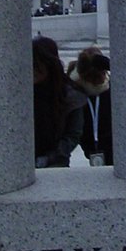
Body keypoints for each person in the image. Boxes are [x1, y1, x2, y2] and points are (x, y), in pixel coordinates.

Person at [32, 36, 84, 168]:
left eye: (37, 65)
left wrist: (51, 157)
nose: (33, 71)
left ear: (49, 65)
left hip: (56, 164)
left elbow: (72, 135)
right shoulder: (21, 92)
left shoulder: (70, 95)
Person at [67, 47, 113, 165]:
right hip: (92, 151)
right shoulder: (73, 91)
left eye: (104, 73)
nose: (102, 80)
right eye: (97, 78)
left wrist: (111, 65)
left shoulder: (111, 89)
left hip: (113, 151)